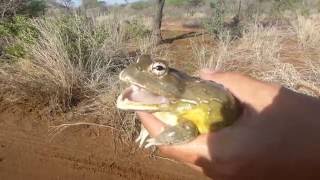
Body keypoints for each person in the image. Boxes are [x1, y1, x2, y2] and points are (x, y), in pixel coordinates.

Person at [137, 70, 320, 180]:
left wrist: (162, 138)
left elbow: (188, 128)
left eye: (158, 70)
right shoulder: (171, 96)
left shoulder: (181, 99)